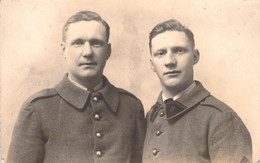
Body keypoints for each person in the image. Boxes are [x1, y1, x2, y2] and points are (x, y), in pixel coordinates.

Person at [7, 10, 145, 163]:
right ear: (64, 50)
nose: (87, 52)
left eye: (96, 43)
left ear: (108, 51)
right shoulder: (38, 108)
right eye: (78, 43)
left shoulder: (131, 107)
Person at [143, 19, 252, 163]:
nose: (169, 61)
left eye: (179, 51)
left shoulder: (221, 119)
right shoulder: (151, 116)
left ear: (195, 57)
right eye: (160, 53)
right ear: (152, 64)